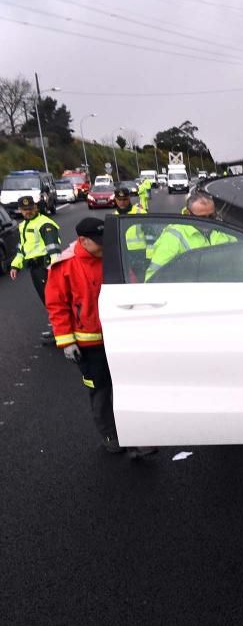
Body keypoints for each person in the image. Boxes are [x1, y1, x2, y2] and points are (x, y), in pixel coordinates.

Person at [45, 217, 157, 458]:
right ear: (83, 241)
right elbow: (57, 306)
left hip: (119, 337)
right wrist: (66, 341)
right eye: (98, 243)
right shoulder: (65, 266)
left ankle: (137, 437)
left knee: (129, 388)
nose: (103, 247)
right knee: (101, 391)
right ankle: (111, 435)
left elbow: (132, 288)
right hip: (89, 344)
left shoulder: (111, 258)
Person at [145, 190, 235, 281]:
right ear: (188, 213)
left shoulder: (223, 229)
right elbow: (153, 277)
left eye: (212, 216)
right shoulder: (173, 237)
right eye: (202, 218)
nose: (208, 221)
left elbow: (239, 257)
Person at [9, 195, 62, 342]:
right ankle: (57, 328)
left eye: (30, 208)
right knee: (47, 300)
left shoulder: (45, 223)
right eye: (25, 209)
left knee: (53, 301)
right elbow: (22, 249)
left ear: (36, 207)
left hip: (45, 267)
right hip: (35, 268)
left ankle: (61, 332)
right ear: (20, 210)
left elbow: (54, 250)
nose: (28, 212)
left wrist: (54, 270)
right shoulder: (23, 226)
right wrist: (15, 265)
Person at [113, 186, 156, 279]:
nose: (122, 202)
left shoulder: (140, 213)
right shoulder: (114, 216)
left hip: (140, 254)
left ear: (129, 198)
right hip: (123, 254)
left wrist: (149, 257)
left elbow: (151, 236)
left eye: (125, 199)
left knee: (142, 280)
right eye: (119, 200)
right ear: (115, 199)